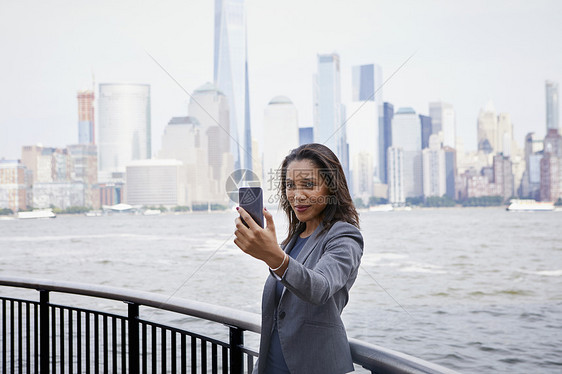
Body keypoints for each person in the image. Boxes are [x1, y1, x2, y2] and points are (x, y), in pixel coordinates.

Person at [234, 143, 363, 374]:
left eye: (309, 185)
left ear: (332, 189)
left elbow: (320, 287)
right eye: (290, 186)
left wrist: (275, 258)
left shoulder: (344, 235)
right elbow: (277, 321)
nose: (297, 195)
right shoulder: (289, 243)